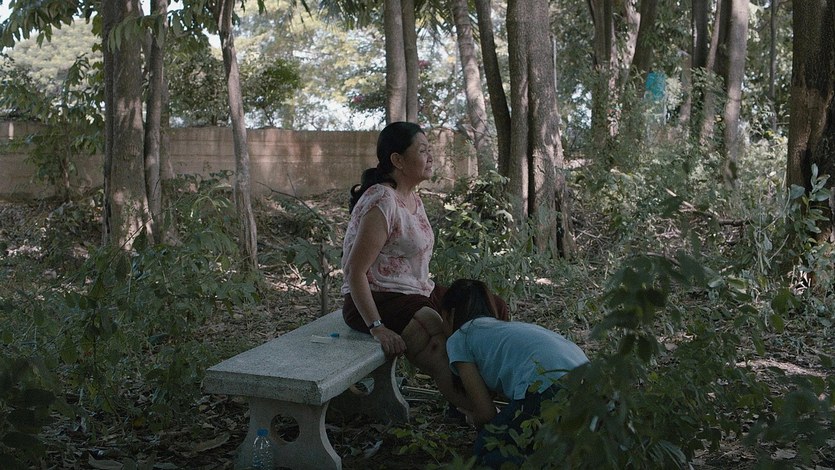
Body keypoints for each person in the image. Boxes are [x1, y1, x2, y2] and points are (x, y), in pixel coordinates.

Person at [341, 122, 507, 413]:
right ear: (397, 160)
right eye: (422, 151)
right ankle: (481, 414)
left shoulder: (412, 197)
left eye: (430, 150)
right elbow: (355, 272)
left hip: (417, 291)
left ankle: (492, 393)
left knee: (492, 307)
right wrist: (378, 328)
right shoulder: (382, 201)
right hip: (377, 298)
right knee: (436, 338)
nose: (431, 157)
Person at [441, 278, 589, 468]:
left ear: (450, 314)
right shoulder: (503, 329)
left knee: (487, 450)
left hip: (547, 386)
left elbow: (485, 413)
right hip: (588, 378)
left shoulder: (459, 338)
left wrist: (474, 417)